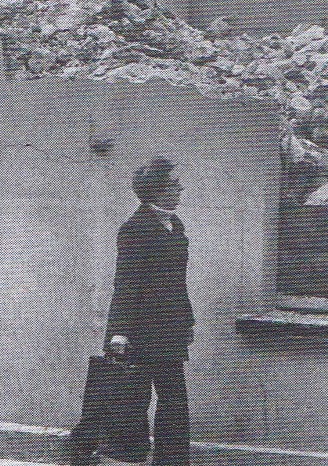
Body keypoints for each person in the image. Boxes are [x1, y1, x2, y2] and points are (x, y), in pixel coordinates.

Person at [101, 157, 194, 466]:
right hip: (140, 331)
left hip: (169, 329)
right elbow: (126, 283)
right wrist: (119, 334)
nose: (180, 188)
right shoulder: (135, 229)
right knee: (134, 399)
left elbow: (175, 283)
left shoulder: (174, 224)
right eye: (174, 184)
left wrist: (185, 321)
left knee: (173, 400)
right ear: (157, 191)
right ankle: (127, 457)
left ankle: (171, 461)